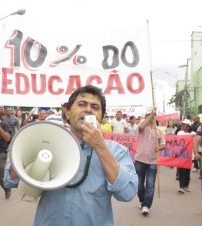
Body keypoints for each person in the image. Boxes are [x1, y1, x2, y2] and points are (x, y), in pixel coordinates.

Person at [15, 85, 137, 225]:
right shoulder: (49, 142)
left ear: (101, 118)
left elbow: (127, 193)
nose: (88, 109)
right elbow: (10, 179)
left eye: (95, 107)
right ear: (67, 113)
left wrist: (100, 147)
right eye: (81, 104)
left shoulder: (116, 151)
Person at [135, 108, 166, 216]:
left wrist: (160, 148)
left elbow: (163, 144)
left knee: (150, 184)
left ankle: (146, 205)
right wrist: (150, 115)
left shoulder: (158, 131)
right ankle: (142, 200)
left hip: (152, 161)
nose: (152, 117)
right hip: (139, 160)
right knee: (139, 184)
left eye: (153, 115)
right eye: (149, 115)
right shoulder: (142, 128)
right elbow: (141, 126)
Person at [176, 119, 195, 194]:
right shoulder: (180, 133)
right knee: (181, 171)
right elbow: (177, 141)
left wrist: (193, 136)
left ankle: (186, 186)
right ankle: (181, 187)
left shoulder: (193, 133)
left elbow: (196, 141)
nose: (183, 125)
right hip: (182, 155)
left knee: (187, 171)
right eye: (182, 124)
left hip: (190, 156)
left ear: (188, 126)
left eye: (184, 124)